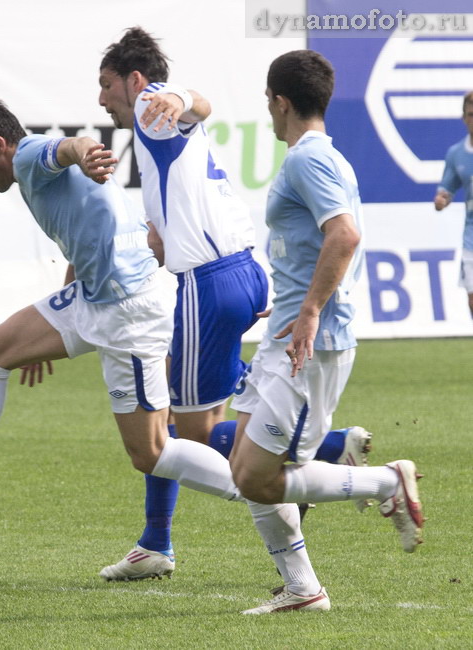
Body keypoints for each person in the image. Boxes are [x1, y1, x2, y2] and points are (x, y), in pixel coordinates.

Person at [0, 97, 249, 532]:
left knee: (150, 452)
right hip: (94, 297)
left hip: (126, 308)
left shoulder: (27, 156)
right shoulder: (31, 172)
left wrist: (86, 153)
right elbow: (83, 242)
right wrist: (49, 332)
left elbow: (70, 146)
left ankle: (262, 488)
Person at [94, 27, 373, 583]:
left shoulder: (151, 105)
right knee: (174, 412)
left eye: (106, 86)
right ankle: (155, 541)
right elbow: (197, 112)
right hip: (239, 274)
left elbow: (192, 102)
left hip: (207, 284)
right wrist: (163, 233)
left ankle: (321, 458)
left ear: (134, 80)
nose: (101, 100)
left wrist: (175, 95)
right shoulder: (164, 130)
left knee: (186, 433)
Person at [228, 50, 424, 614]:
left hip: (312, 344)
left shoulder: (308, 160)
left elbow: (344, 237)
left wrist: (311, 309)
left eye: (269, 102)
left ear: (280, 102)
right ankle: (302, 589)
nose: (268, 111)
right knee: (243, 463)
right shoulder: (314, 158)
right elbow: (317, 243)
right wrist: (292, 302)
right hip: (285, 337)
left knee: (260, 478)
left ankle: (386, 482)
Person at [434, 90, 473, 318]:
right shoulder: (456, 154)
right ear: (463, 117)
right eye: (470, 114)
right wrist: (442, 200)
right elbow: (446, 189)